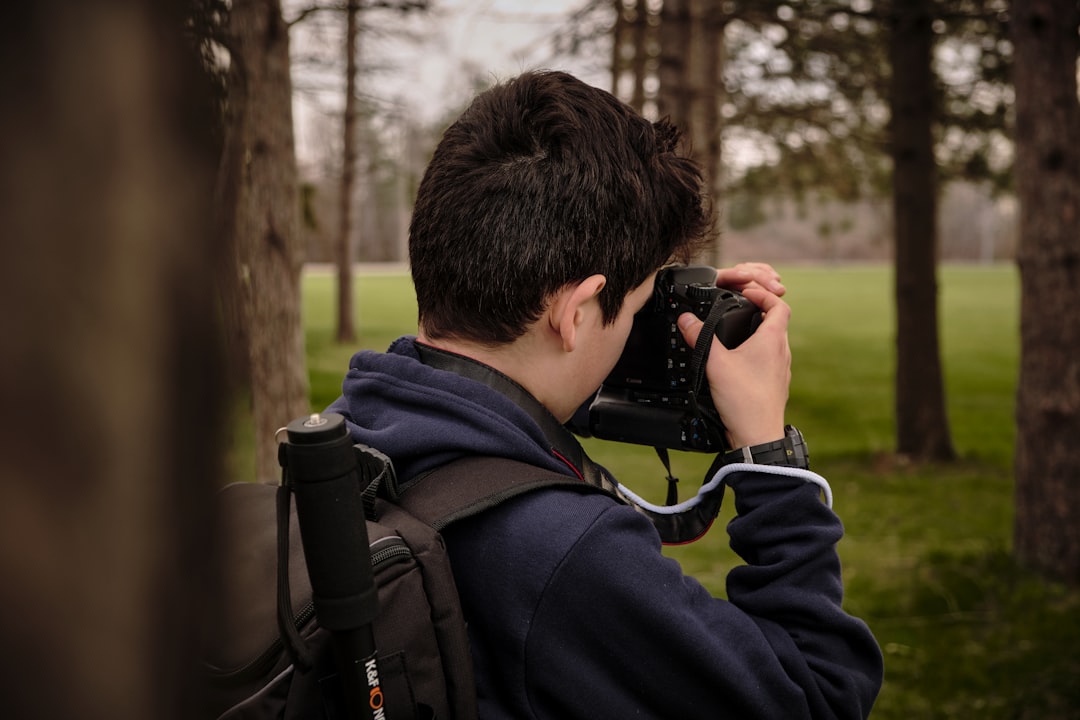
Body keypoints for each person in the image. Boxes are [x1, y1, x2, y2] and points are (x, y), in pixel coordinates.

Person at [327, 69, 883, 719]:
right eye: (640, 307)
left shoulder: (351, 438)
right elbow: (817, 691)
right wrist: (769, 458)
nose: (637, 324)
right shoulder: (567, 553)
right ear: (576, 313)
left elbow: (517, 378)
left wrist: (634, 306)